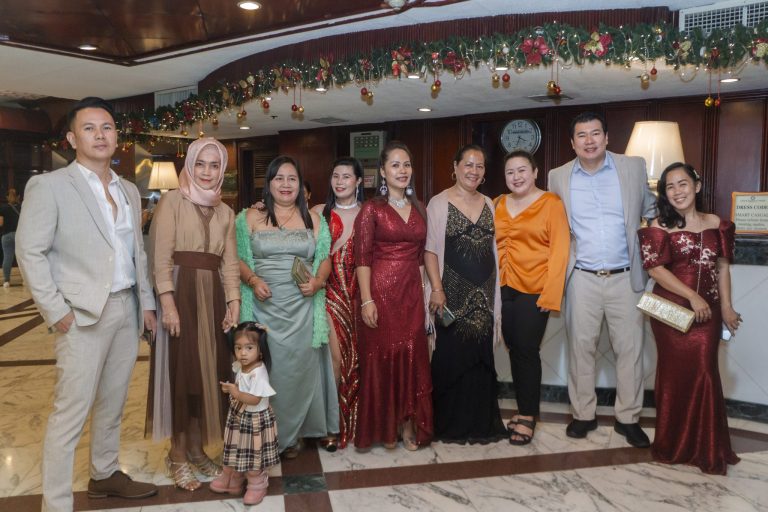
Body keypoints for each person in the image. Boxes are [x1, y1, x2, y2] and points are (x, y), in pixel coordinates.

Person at [15, 97, 158, 511]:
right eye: (90, 128)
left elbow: (137, 253)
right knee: (70, 412)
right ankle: (57, 503)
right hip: (81, 315)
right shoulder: (51, 186)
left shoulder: (128, 189)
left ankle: (105, 474)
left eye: (107, 127)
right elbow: (30, 251)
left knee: (113, 402)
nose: (100, 135)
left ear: (116, 136)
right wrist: (56, 311)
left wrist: (146, 303)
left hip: (126, 309)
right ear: (72, 138)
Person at [548, 111, 656, 448]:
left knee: (630, 350)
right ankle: (583, 414)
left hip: (627, 277)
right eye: (581, 135)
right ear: (572, 143)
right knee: (581, 349)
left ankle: (628, 419)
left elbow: (652, 211)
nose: (589, 140)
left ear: (607, 138)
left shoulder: (632, 167)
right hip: (582, 278)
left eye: (595, 133)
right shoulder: (557, 177)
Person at [146, 137, 241, 491]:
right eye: (200, 163)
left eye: (214, 165)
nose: (206, 171)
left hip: (212, 297)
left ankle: (198, 450)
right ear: (189, 165)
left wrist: (233, 302)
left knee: (208, 375)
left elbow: (229, 264)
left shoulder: (226, 212)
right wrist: (167, 303)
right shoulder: (172, 201)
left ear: (222, 170)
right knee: (181, 375)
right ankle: (177, 455)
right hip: (180, 293)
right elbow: (160, 257)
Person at [638, 163, 741, 474]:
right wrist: (692, 296)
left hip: (708, 312)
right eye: (670, 187)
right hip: (671, 312)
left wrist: (727, 307)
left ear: (696, 186)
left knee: (705, 372)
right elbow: (655, 270)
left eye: (682, 184)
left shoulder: (717, 224)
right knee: (673, 376)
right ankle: (672, 444)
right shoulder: (658, 225)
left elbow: (722, 268)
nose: (677, 191)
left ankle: (706, 446)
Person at [236, 155, 338, 458]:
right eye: (279, 178)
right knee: (271, 370)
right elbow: (237, 258)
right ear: (269, 183)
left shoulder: (314, 220)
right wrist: (253, 280)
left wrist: (317, 282)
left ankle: (299, 433)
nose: (285, 184)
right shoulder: (250, 217)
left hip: (303, 308)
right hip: (263, 307)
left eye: (292, 178)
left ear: (300, 185)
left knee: (299, 370)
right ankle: (271, 432)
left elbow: (324, 259)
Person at [423, 144, 506, 444]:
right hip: (450, 297)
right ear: (455, 167)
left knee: (480, 359)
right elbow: (430, 251)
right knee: (450, 358)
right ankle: (450, 426)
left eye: (479, 166)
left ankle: (481, 425)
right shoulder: (439, 202)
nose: (474, 171)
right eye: (468, 164)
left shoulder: (489, 203)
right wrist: (437, 288)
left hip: (484, 296)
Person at [354, 140, 433, 450]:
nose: (402, 170)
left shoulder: (420, 208)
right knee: (384, 358)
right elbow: (362, 258)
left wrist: (425, 295)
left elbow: (422, 257)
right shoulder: (372, 209)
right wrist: (367, 300)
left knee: (413, 355)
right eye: (395, 165)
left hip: (411, 292)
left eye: (407, 164)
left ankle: (409, 423)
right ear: (383, 172)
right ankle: (387, 428)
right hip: (381, 293)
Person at [495, 151, 570, 445]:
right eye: (510, 172)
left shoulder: (551, 203)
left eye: (522, 170)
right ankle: (523, 408)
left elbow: (560, 250)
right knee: (514, 348)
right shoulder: (498, 203)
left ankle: (528, 415)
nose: (516, 177)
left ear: (536, 172)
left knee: (527, 349)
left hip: (535, 288)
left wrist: (550, 295)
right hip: (503, 287)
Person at [311, 157, 365, 450]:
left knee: (360, 360)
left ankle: (359, 423)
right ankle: (331, 424)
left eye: (346, 176)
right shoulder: (318, 212)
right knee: (335, 359)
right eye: (336, 176)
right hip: (328, 296)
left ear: (359, 181)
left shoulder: (369, 213)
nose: (340, 181)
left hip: (362, 298)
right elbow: (285, 223)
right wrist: (260, 209)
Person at [211, 322, 279, 505]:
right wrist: (231, 388)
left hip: (254, 419)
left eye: (249, 348)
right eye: (238, 347)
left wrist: (235, 393)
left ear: (260, 350)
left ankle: (257, 482)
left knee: (253, 453)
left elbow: (254, 399)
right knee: (236, 447)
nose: (243, 353)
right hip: (239, 415)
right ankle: (234, 475)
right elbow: (240, 386)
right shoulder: (241, 366)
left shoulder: (259, 373)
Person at [1, 187, 21, 287]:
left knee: (7, 258)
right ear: (19, 197)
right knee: (21, 258)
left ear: (6, 197)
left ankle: (6, 281)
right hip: (19, 235)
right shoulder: (21, 208)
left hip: (6, 235)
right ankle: (25, 280)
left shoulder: (3, 208)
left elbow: (0, 223)